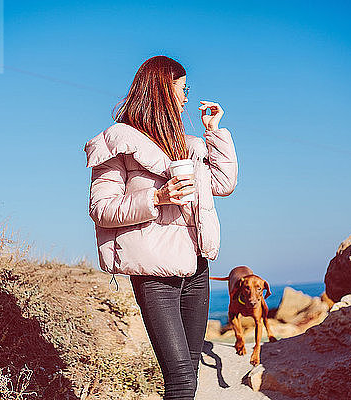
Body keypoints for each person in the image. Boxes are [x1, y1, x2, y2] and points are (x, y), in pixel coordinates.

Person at [83, 55, 238, 400]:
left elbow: (224, 183)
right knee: (180, 377)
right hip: (154, 273)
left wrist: (213, 134)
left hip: (196, 269)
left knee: (191, 371)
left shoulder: (189, 145)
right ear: (162, 90)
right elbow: (100, 209)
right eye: (182, 90)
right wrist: (157, 197)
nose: (186, 98)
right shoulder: (118, 142)